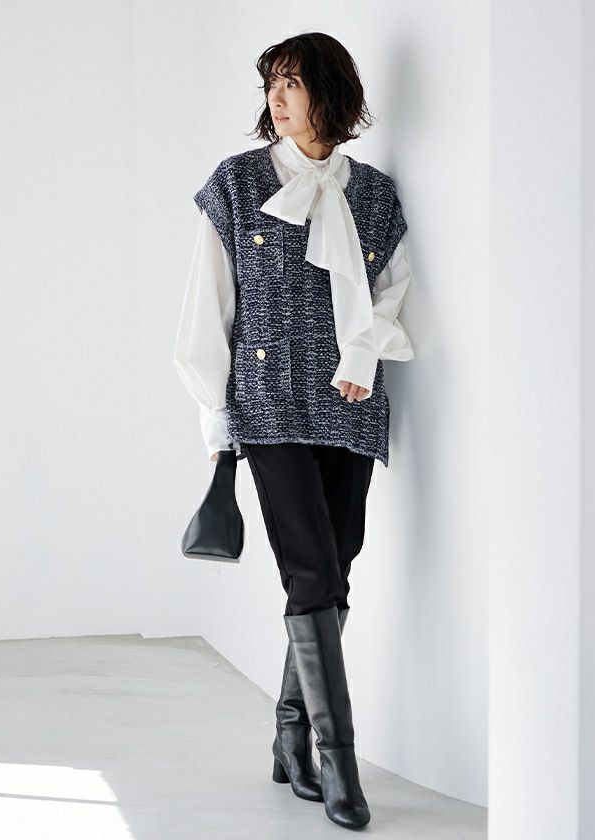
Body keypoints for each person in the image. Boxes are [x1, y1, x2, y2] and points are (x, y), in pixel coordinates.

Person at [173, 32, 415, 830]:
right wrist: (216, 419)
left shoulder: (373, 195)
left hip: (351, 404)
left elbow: (391, 294)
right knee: (309, 572)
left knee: (336, 566)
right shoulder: (237, 184)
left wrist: (364, 355)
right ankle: (339, 765)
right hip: (268, 405)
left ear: (330, 93)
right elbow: (208, 308)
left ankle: (288, 734)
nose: (277, 98)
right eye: (271, 84)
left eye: (293, 83)